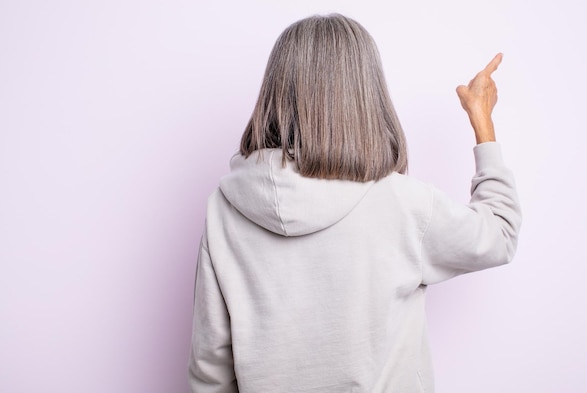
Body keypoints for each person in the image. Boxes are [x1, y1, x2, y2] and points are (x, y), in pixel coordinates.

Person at [188, 13, 521, 393]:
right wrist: (482, 120)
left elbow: (209, 369)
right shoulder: (400, 203)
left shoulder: (225, 208)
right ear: (366, 97)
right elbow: (500, 234)